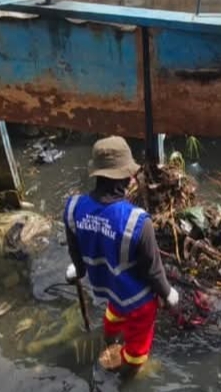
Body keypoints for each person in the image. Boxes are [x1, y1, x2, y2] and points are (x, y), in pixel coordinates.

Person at [65, 136, 179, 373]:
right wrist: (168, 294)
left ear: (96, 174)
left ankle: (109, 340)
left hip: (108, 290)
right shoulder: (137, 220)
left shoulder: (73, 208)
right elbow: (154, 270)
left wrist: (78, 269)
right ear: (127, 178)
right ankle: (130, 369)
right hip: (138, 302)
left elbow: (75, 249)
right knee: (138, 348)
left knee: (113, 316)